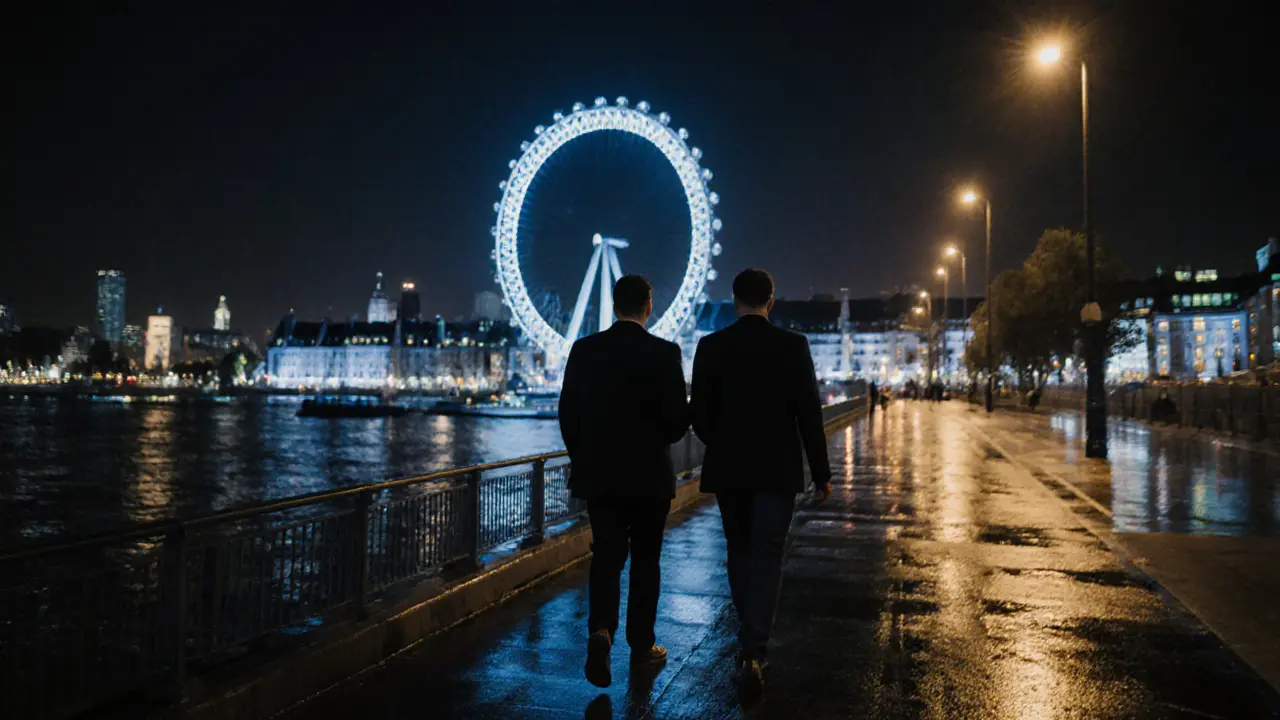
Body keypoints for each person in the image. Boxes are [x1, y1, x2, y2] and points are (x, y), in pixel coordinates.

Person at [690, 268, 832, 701]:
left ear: (735, 301)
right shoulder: (793, 346)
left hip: (730, 467)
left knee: (739, 548)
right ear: (771, 302)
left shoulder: (711, 346)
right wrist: (821, 472)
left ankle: (747, 633)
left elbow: (699, 414)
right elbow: (809, 412)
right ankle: (754, 647)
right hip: (777, 468)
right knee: (769, 554)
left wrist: (723, 442)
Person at [558, 274, 690, 689]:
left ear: (614, 305)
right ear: (649, 306)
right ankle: (641, 646)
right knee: (647, 562)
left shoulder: (584, 350)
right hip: (650, 479)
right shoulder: (665, 353)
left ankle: (600, 632)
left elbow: (567, 414)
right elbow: (676, 426)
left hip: (601, 478)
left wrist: (585, 456)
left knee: (606, 558)